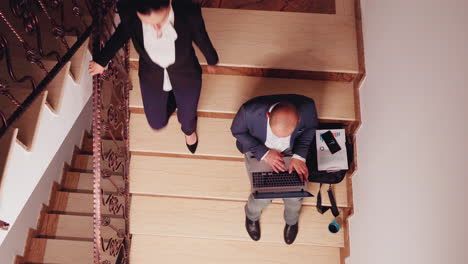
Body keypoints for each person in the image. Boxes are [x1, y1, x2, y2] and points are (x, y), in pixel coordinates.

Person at [88, 0, 219, 153]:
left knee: (187, 117)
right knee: (156, 122)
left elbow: (200, 36)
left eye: (161, 21)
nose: (157, 30)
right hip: (152, 75)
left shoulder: (188, 11)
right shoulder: (128, 10)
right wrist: (102, 60)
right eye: (148, 23)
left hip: (186, 74)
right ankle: (179, 101)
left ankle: (189, 130)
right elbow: (122, 33)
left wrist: (211, 59)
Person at [230, 94, 318, 245]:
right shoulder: (249, 111)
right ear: (268, 115)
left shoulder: (308, 108)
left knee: (296, 195)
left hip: (292, 151)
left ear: (298, 120)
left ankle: (292, 220)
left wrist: (299, 156)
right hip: (259, 149)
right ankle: (252, 216)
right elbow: (237, 131)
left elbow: (310, 129)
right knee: (262, 195)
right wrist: (264, 153)